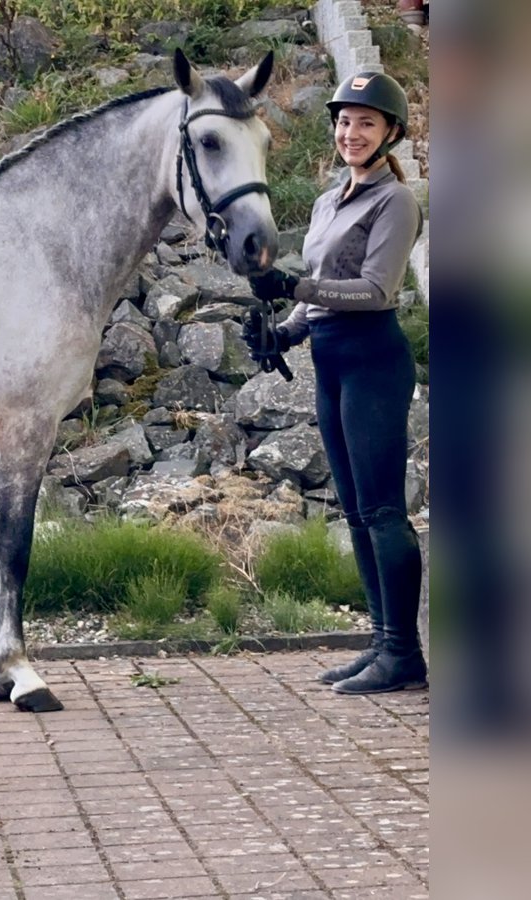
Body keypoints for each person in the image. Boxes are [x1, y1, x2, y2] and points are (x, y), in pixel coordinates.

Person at [243, 70, 427, 694]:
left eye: (366, 122)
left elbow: (376, 290)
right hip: (331, 359)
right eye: (345, 120)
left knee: (382, 511)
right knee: (354, 511)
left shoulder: (395, 202)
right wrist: (286, 332)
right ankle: (382, 642)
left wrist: (295, 287)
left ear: (391, 134)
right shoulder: (329, 200)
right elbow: (318, 293)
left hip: (373, 358)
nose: (352, 131)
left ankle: (404, 654)